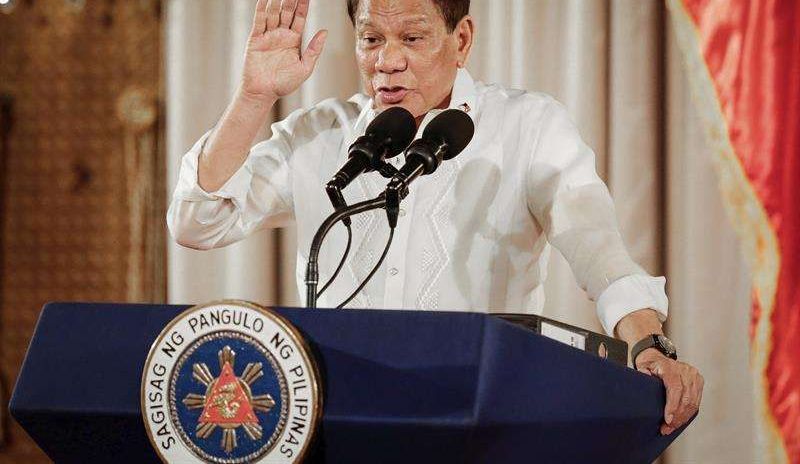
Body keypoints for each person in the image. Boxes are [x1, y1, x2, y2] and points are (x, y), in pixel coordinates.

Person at [167, 0, 703, 436]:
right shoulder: (320, 136)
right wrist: (254, 96)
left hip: (481, 421)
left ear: (461, 39)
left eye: (412, 38)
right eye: (371, 38)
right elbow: (198, 222)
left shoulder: (527, 127)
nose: (387, 61)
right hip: (341, 423)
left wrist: (648, 343)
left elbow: (598, 250)